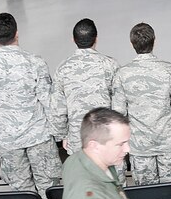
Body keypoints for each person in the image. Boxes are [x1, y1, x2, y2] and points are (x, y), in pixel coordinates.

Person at [0, 12, 61, 199]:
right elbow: (49, 101)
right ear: (17, 33)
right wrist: (59, 132)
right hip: (38, 135)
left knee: (22, 191)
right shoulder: (34, 62)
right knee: (49, 187)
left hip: (8, 140)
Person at [116, 23, 171, 189]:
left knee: (146, 196)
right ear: (154, 42)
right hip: (168, 143)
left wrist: (121, 142)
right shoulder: (169, 70)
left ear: (132, 44)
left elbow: (119, 113)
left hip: (140, 146)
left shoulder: (123, 74)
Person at [49, 18, 124, 156]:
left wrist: (62, 136)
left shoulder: (63, 69)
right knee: (110, 176)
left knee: (82, 176)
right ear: (96, 38)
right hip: (107, 138)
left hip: (78, 139)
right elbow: (120, 105)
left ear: (73, 39)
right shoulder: (110, 65)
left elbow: (57, 108)